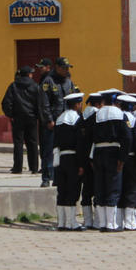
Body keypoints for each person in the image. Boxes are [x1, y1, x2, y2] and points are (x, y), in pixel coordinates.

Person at [92, 89, 129, 232]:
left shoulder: (96, 115)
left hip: (98, 152)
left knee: (100, 187)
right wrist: (122, 158)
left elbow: (89, 137)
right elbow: (127, 138)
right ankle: (111, 223)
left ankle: (102, 223)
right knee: (113, 187)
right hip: (113, 152)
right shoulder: (120, 115)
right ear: (116, 101)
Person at [39, 57, 79, 187]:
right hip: (53, 122)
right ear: (57, 67)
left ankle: (57, 178)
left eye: (68, 68)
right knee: (49, 151)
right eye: (64, 68)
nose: (66, 70)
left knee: (63, 151)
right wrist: (49, 120)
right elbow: (44, 103)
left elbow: (74, 100)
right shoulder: (48, 81)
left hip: (66, 122)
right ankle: (46, 178)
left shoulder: (69, 82)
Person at [54, 92, 86, 231]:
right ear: (77, 104)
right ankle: (71, 222)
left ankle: (61, 222)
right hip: (73, 158)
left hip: (61, 157)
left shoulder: (60, 119)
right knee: (73, 190)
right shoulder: (77, 120)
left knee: (62, 190)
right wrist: (81, 164)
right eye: (80, 104)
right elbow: (80, 143)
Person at [1, 66, 41, 174]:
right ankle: (34, 167)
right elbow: (39, 103)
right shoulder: (35, 86)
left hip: (18, 118)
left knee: (18, 143)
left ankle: (17, 167)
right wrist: (37, 116)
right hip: (31, 118)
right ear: (29, 75)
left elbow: (6, 102)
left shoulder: (13, 86)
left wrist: (10, 115)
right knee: (32, 143)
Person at [116, 94, 136, 231]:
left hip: (119, 159)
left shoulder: (117, 118)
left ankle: (119, 220)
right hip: (132, 159)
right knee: (132, 190)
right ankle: (130, 221)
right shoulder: (135, 121)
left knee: (120, 189)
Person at [79, 92, 104, 229]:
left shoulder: (81, 117)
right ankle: (98, 221)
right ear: (99, 104)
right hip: (94, 157)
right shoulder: (97, 117)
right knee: (97, 189)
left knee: (86, 190)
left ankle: (87, 220)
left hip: (82, 157)